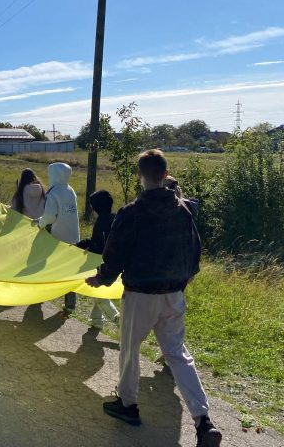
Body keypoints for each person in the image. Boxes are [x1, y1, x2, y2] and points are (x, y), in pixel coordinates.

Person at [86, 149, 222, 447]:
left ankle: (128, 404)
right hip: (173, 293)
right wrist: (186, 278)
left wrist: (102, 278)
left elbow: (116, 253)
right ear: (165, 174)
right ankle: (203, 420)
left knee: (130, 349)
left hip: (141, 295)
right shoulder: (184, 210)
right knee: (178, 355)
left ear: (140, 175)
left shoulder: (131, 212)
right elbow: (194, 249)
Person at [37, 162, 81, 313]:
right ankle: (70, 305)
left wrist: (40, 224)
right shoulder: (70, 190)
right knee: (69, 271)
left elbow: (50, 216)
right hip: (73, 237)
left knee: (44, 267)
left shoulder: (53, 192)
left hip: (56, 237)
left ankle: (40, 296)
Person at [75, 190, 120, 328]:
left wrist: (86, 254)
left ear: (97, 206)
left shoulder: (102, 220)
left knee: (99, 295)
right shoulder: (115, 217)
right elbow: (96, 240)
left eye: (92, 205)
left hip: (101, 262)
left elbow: (98, 244)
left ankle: (118, 320)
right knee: (100, 291)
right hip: (112, 261)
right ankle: (96, 320)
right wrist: (79, 245)